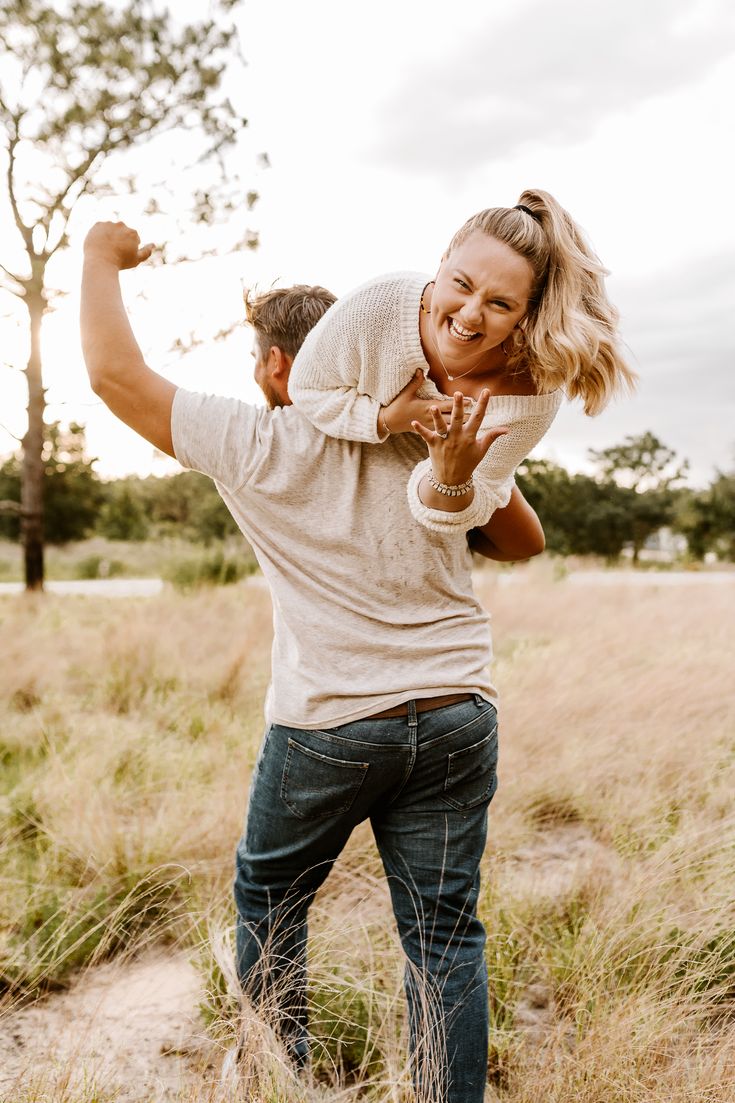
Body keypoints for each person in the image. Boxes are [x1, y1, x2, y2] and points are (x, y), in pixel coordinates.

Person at [80, 221, 546, 1103]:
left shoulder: (254, 445)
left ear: (272, 367)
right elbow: (522, 539)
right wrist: (457, 447)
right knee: (444, 936)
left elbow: (113, 376)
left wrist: (101, 258)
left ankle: (274, 1079)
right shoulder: (430, 431)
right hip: (456, 709)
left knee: (270, 901)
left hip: (328, 722)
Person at [288, 188, 636, 534]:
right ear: (442, 262)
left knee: (526, 543)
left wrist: (449, 476)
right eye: (462, 284)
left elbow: (466, 506)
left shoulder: (531, 395)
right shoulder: (377, 306)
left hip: (462, 486)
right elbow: (305, 388)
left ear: (525, 315)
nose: (470, 315)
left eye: (500, 304)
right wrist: (386, 419)